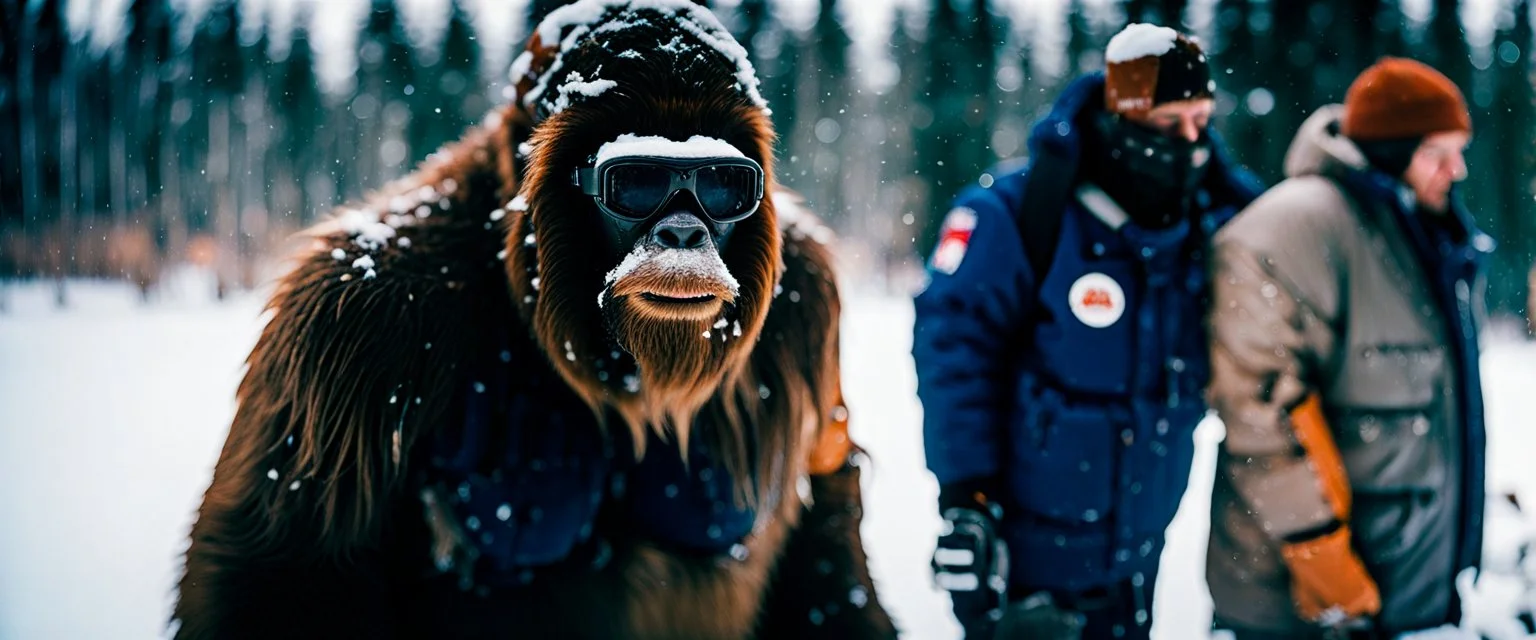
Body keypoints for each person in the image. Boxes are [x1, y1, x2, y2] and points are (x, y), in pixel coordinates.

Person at [912, 23, 1264, 640]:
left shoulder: (1207, 223)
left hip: (1138, 551)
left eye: (1202, 120)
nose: (1190, 142)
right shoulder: (1018, 212)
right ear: (1122, 117)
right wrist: (967, 499)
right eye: (1169, 121)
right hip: (1024, 563)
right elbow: (954, 351)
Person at [1205, 57, 1492, 639]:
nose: (1456, 170)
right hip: (1301, 613)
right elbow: (1260, 416)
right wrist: (1329, 575)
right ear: (1390, 152)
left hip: (1404, 594)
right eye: (1438, 153)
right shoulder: (1294, 230)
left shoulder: (1425, 234)